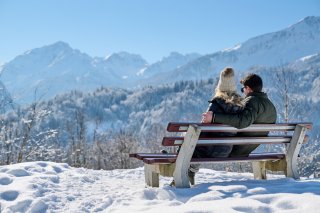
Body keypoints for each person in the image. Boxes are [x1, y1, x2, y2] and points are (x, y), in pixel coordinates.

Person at [187, 67, 245, 185]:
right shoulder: (239, 105)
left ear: (220, 84)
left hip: (212, 149)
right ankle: (190, 171)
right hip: (228, 150)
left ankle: (188, 171)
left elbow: (202, 129)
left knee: (190, 139)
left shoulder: (216, 103)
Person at [201, 73, 277, 157]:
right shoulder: (271, 106)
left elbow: (242, 121)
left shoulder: (251, 101)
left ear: (248, 88)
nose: (243, 92)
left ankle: (192, 164)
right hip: (246, 149)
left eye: (243, 89)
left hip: (234, 149)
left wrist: (214, 117)